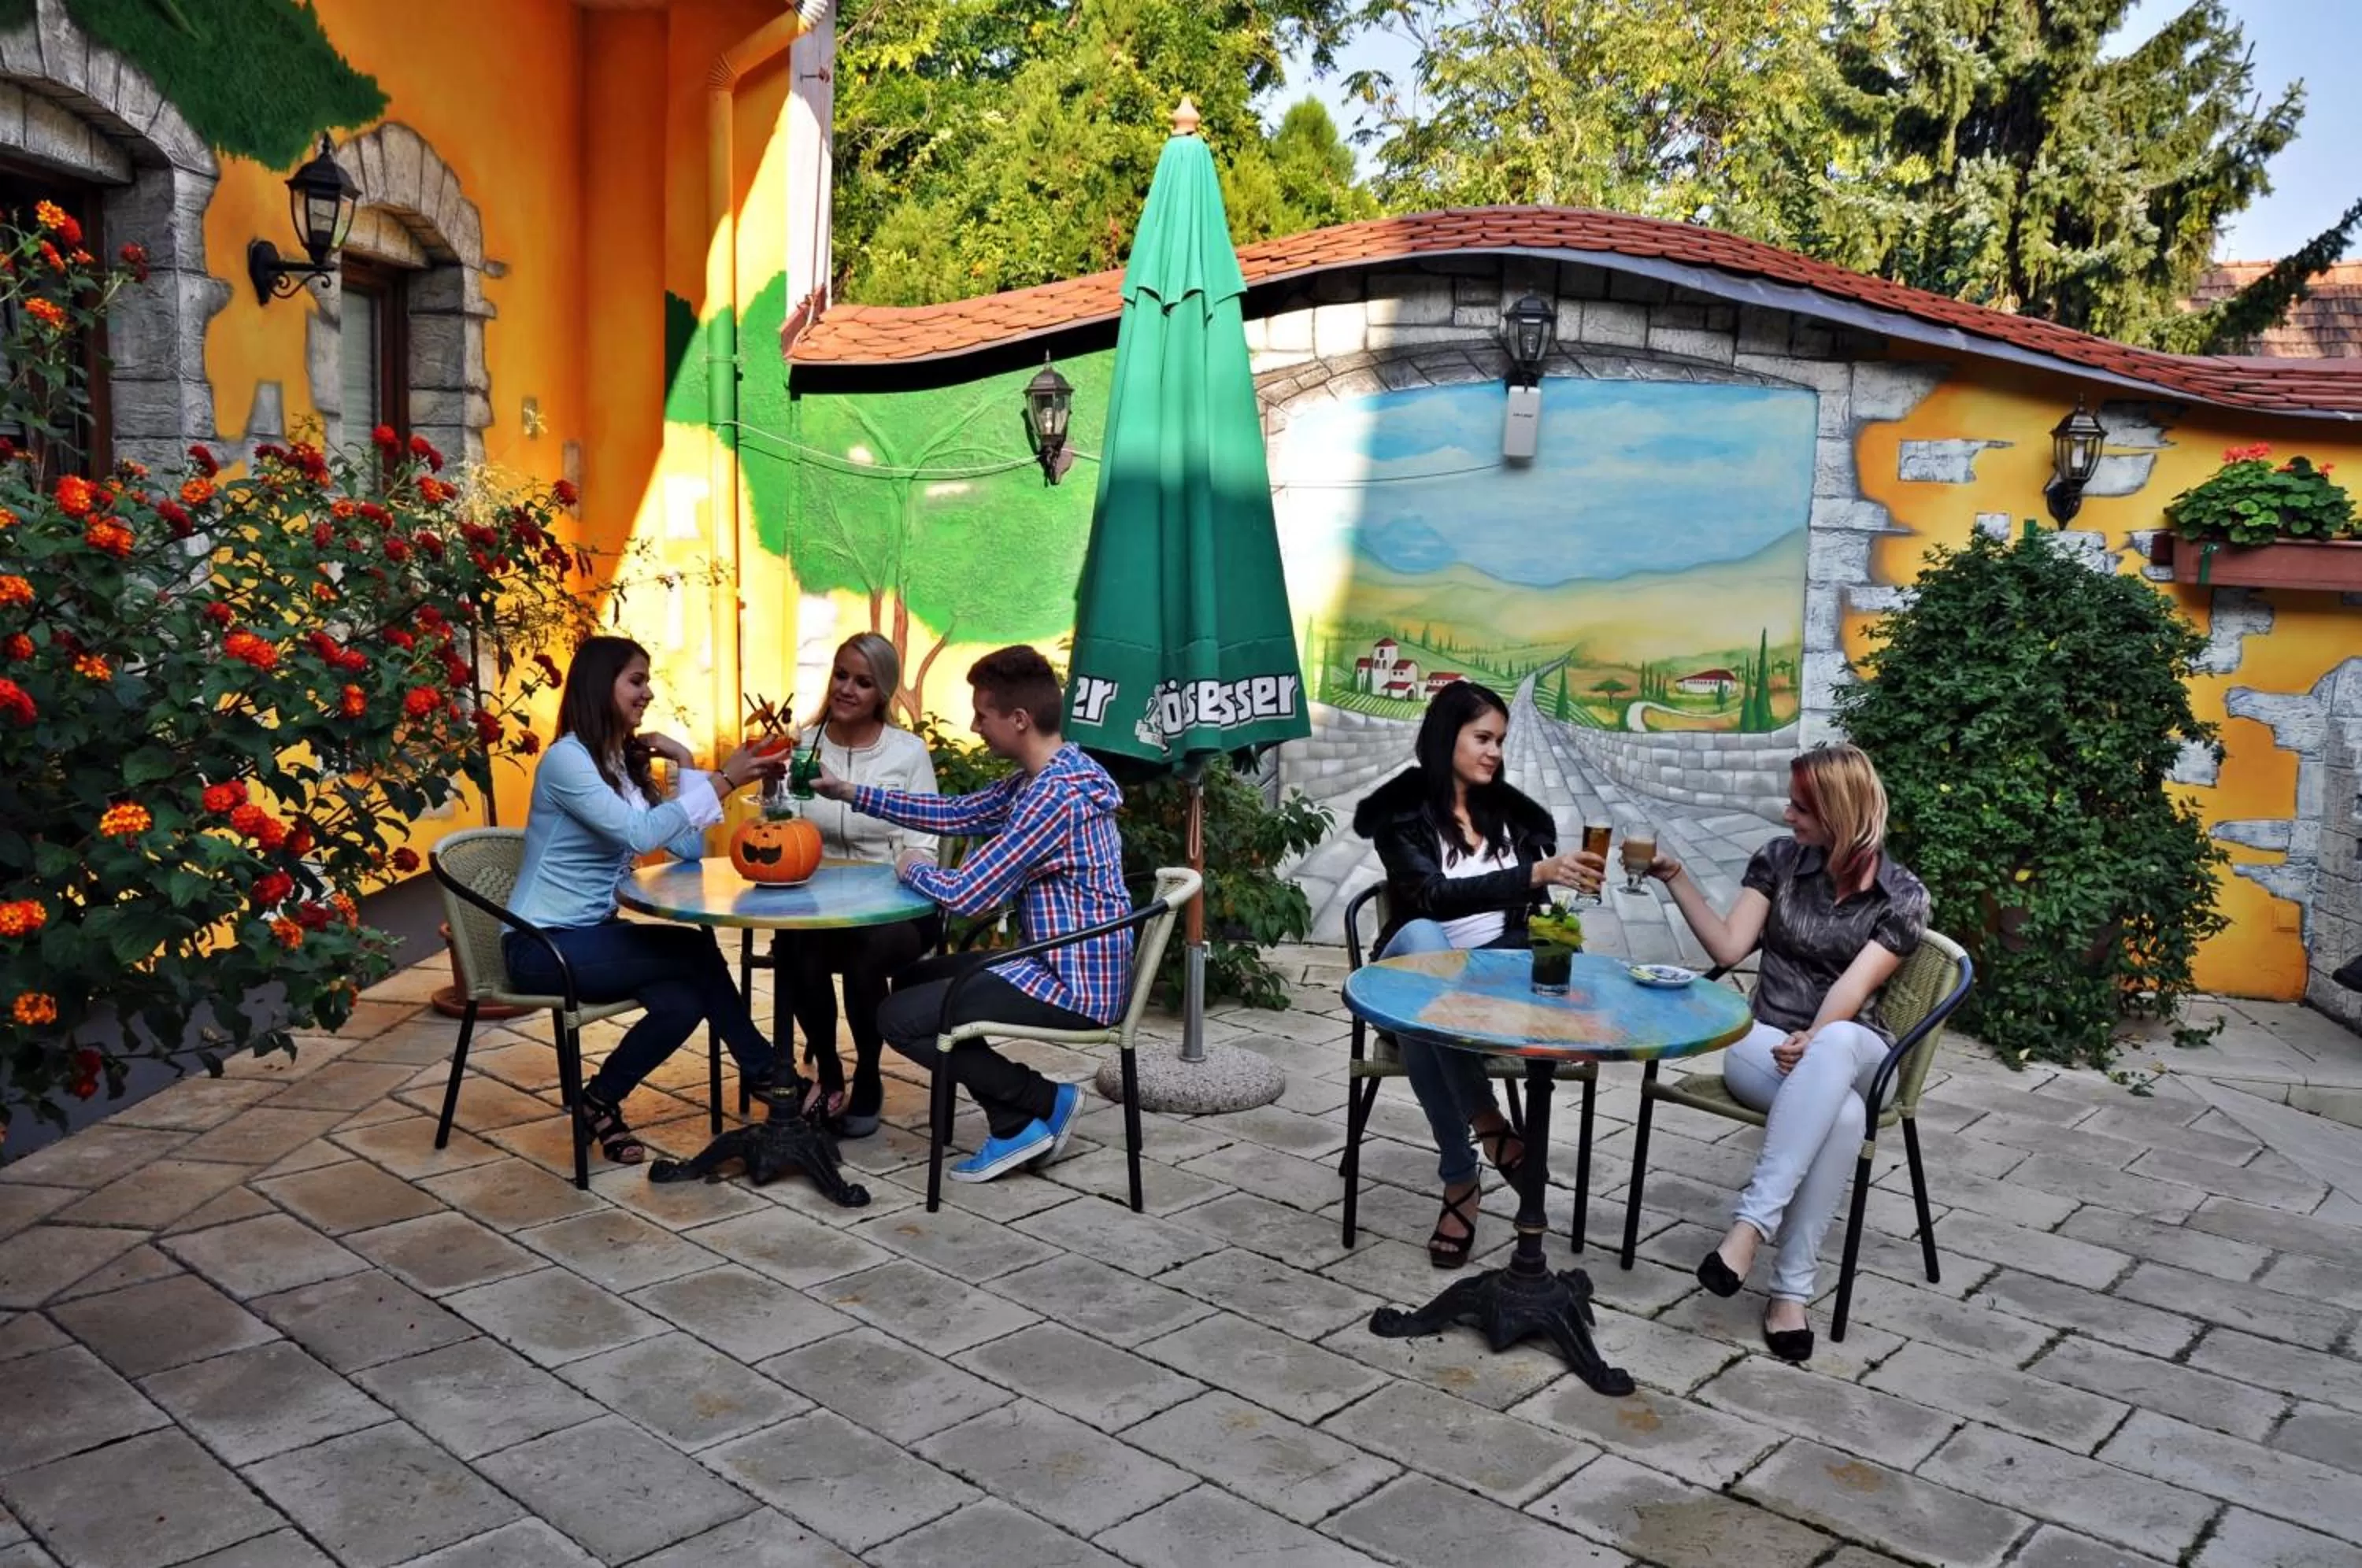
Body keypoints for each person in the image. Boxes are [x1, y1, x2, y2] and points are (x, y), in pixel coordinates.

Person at [1644, 742, 1929, 1363]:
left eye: (1801, 807)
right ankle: (1789, 1295)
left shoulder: (1902, 895)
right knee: (1844, 1121)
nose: (1787, 815)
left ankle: (1749, 1228)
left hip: (1858, 1052)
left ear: (1840, 812)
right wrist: (1675, 878)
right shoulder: (1777, 861)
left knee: (1839, 1040)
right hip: (1764, 1043)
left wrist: (1817, 1037)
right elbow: (1728, 948)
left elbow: (1855, 989)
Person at [813, 645, 1130, 1182]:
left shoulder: (1051, 797)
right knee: (914, 981)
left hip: (1073, 984)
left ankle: (1037, 1104)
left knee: (898, 1019)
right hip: (1059, 960)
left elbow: (968, 896)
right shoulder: (1049, 773)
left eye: (983, 714)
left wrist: (908, 864)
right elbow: (960, 811)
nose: (975, 724)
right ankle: (1023, 1114)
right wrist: (850, 792)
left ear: (1019, 720)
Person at [503, 636, 794, 1164]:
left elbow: (684, 846)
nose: (647, 693)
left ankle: (598, 1102)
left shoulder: (615, 762)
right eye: (636, 681)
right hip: (541, 948)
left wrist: (682, 762)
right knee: (695, 953)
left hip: (591, 935)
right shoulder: (567, 762)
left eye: (647, 681)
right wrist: (725, 779)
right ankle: (769, 1077)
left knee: (683, 1000)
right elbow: (639, 836)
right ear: (600, 685)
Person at [1352, 680, 1605, 1267]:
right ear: (1447, 739)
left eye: (1501, 740)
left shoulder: (1515, 821)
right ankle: (1485, 1132)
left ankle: (1461, 1183)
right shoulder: (1402, 816)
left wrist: (1562, 916)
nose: (1494, 752)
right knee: (1418, 948)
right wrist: (1534, 876)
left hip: (1492, 987)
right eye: (1482, 738)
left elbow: (1538, 923)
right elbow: (1430, 898)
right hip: (1415, 983)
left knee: (1426, 1017)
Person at [778, 632, 942, 1135]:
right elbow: (783, 827)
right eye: (841, 675)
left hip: (896, 912)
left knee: (863, 955)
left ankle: (869, 1075)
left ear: (882, 693)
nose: (847, 689)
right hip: (818, 903)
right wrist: (769, 787)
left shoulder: (907, 752)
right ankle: (829, 1072)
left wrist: (897, 877)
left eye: (863, 682)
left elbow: (925, 840)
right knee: (792, 947)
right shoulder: (803, 748)